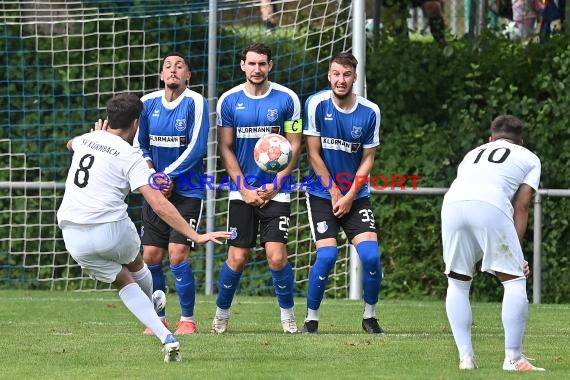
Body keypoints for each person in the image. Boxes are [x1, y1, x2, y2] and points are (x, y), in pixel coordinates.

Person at [57, 93, 230, 362]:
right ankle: (155, 303)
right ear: (136, 124)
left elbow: (70, 143)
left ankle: (165, 335)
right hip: (110, 228)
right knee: (137, 265)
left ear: (108, 117)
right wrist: (195, 234)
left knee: (122, 280)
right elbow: (159, 205)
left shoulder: (87, 140)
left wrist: (94, 136)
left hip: (72, 235)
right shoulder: (130, 155)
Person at [211, 42, 302, 334]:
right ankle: (221, 315)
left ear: (270, 66)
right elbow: (225, 148)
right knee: (236, 257)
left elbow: (295, 144)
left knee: (276, 255)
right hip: (241, 192)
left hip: (277, 191)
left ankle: (288, 316)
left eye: (262, 64)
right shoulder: (228, 100)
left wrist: (276, 184)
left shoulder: (289, 99)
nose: (257, 69)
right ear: (243, 66)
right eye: (252, 63)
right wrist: (244, 188)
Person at [441, 115, 544, 371]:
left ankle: (466, 358)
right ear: (520, 141)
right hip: (490, 203)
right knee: (515, 280)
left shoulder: (471, 154)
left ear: (490, 138)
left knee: (458, 282)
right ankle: (513, 358)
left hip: (451, 203)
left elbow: (470, 197)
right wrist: (517, 256)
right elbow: (520, 207)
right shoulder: (529, 157)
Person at [302, 52, 384, 335]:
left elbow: (368, 159)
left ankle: (370, 316)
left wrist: (349, 195)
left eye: (346, 74)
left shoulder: (370, 111)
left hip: (356, 195)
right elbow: (313, 154)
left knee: (371, 256)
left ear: (354, 77)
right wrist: (335, 192)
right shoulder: (315, 104)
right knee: (326, 256)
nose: (340, 80)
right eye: (336, 74)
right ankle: (311, 318)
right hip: (321, 194)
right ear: (329, 75)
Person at [135, 52, 210, 335]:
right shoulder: (147, 103)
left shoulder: (195, 102)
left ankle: (188, 319)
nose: (173, 70)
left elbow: (197, 147)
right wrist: (154, 175)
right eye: (167, 66)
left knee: (178, 255)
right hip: (155, 191)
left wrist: (169, 176)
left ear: (188, 75)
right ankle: (159, 318)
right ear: (161, 74)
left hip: (187, 191)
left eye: (179, 66)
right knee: (151, 256)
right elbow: (139, 145)